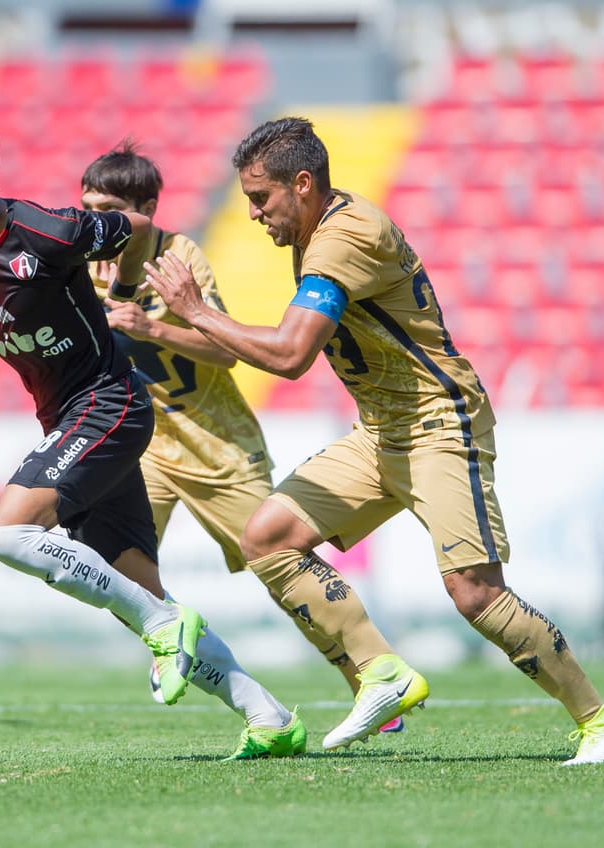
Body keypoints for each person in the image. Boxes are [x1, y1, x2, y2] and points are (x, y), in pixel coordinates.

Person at [142, 116, 604, 764]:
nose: (255, 214)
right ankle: (382, 672)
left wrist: (198, 312)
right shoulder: (315, 229)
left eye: (261, 198)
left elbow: (292, 354)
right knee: (267, 537)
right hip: (381, 434)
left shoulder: (345, 235)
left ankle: (603, 723)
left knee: (475, 591)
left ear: (302, 184)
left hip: (439, 423)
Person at [0, 113, 305, 759]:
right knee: (138, 591)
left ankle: (164, 626)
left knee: (8, 534)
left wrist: (127, 291)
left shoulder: (47, 231)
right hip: (67, 419)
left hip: (111, 402)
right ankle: (269, 716)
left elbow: (133, 228)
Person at [79, 141, 403, 733]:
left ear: (147, 207)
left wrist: (151, 326)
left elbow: (225, 356)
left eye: (109, 208)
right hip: (146, 446)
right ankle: (169, 634)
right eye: (88, 207)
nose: (96, 221)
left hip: (219, 444)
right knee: (115, 566)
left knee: (279, 562)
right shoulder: (84, 263)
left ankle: (370, 681)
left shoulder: (180, 257)